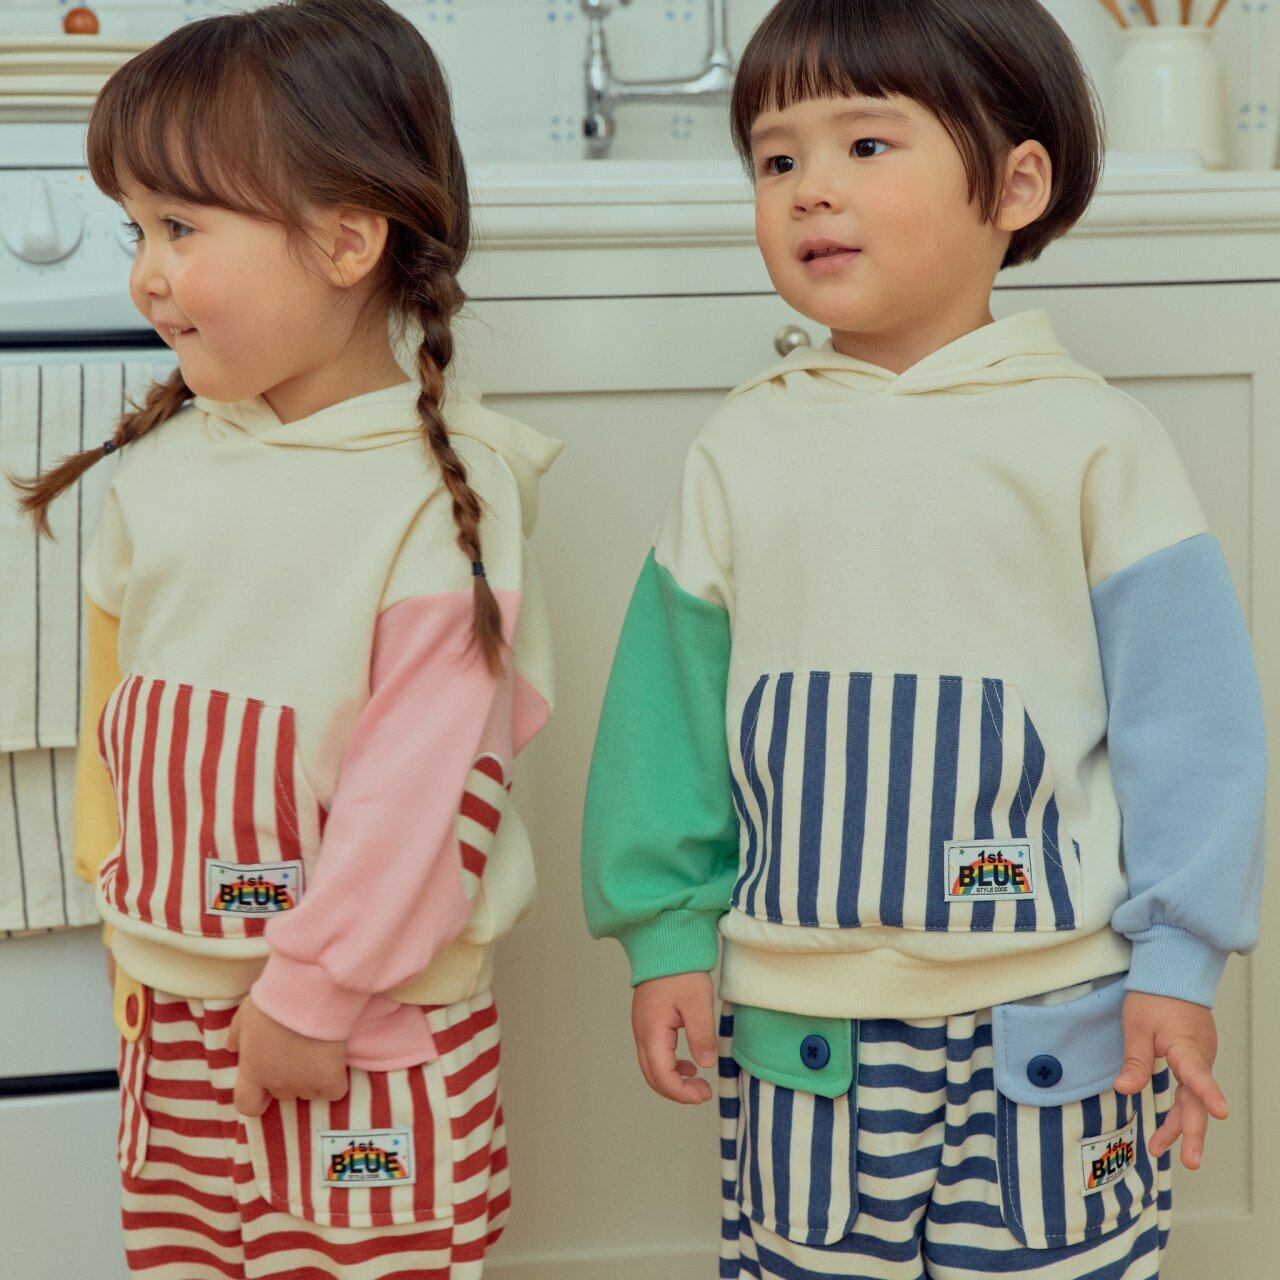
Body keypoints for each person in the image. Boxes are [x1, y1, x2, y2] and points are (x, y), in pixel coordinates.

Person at [580, 1, 1268, 1276]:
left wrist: (1178, 961)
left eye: (864, 144)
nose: (808, 188)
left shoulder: (1095, 443)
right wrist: (663, 931)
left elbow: (1191, 729)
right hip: (802, 1032)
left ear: (1013, 185)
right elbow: (663, 722)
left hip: (1056, 1015)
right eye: (776, 158)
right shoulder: (739, 449)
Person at [13, 2, 560, 1275]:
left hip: (360, 1014)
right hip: (172, 999)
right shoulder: (165, 470)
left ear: (345, 239)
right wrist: (124, 906)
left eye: (181, 227)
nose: (145, 273)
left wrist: (313, 990)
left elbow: (424, 786)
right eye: (136, 230)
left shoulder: (438, 493)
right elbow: (113, 708)